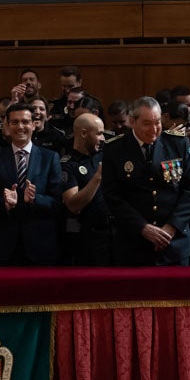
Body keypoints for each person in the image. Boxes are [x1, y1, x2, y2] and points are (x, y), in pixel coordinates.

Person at [101, 96, 190, 266]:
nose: (154, 129)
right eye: (147, 124)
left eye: (157, 123)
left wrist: (171, 227)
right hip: (134, 244)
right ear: (132, 122)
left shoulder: (178, 144)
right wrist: (142, 227)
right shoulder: (115, 149)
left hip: (174, 243)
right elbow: (112, 195)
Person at [0, 103, 63, 266]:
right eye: (15, 122)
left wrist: (34, 199)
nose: (20, 127)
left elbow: (57, 203)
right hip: (4, 246)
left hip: (40, 246)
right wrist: (5, 204)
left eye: (25, 122)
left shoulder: (50, 158)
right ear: (7, 126)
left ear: (34, 124)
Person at [60, 113, 116, 266]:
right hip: (90, 237)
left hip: (116, 232)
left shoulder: (105, 155)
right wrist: (98, 177)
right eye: (99, 133)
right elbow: (73, 205)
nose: (103, 138)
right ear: (84, 133)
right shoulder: (68, 165)